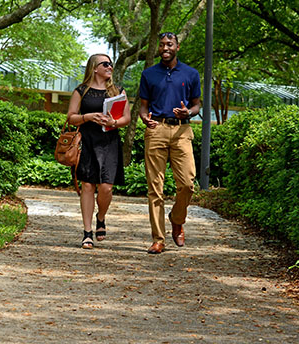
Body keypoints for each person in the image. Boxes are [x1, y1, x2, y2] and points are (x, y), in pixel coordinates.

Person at [138, 32, 201, 254]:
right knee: (155, 187)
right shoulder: (148, 74)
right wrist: (144, 117)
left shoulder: (191, 74)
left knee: (187, 183)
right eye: (162, 44)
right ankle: (158, 239)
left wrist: (188, 112)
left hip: (182, 130)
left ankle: (177, 218)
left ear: (177, 47)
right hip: (156, 129)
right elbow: (143, 106)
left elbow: (197, 105)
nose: (165, 47)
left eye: (170, 44)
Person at [67, 54, 131, 249]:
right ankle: (87, 233)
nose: (109, 67)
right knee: (87, 186)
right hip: (87, 142)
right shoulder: (82, 91)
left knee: (106, 188)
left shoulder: (118, 91)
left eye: (111, 64)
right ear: (94, 68)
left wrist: (114, 122)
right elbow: (71, 117)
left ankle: (101, 217)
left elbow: (126, 118)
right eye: (105, 64)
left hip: (109, 142)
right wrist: (87, 117)